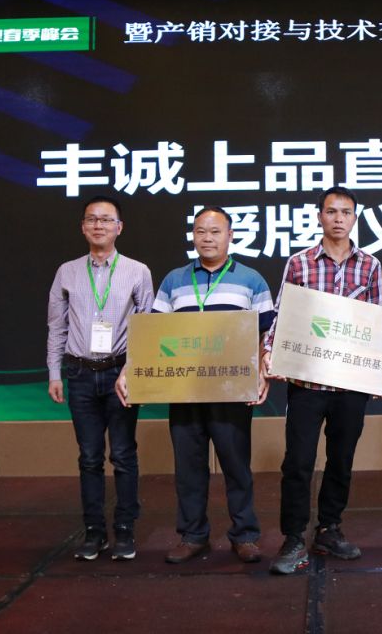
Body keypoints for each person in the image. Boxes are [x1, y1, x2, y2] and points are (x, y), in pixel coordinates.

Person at [118, 206, 273, 564]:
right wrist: (130, 371)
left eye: (215, 231)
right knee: (188, 468)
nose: (207, 238)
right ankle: (193, 535)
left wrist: (262, 372)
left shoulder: (252, 280)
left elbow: (268, 333)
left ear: (230, 236)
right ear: (192, 236)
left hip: (232, 390)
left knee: (236, 466)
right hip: (184, 389)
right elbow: (155, 335)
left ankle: (245, 536)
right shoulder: (174, 280)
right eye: (201, 231)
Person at [261, 187, 382, 575]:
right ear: (319, 217)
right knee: (297, 462)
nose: (338, 218)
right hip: (306, 382)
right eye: (331, 211)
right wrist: (269, 352)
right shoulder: (299, 263)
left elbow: (376, 323)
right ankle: (293, 537)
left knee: (341, 460)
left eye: (345, 212)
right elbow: (282, 314)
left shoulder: (371, 265)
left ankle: (330, 528)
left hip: (350, 384)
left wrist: (381, 375)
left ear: (354, 219)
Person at [47, 195, 154, 561]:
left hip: (120, 372)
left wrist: (132, 370)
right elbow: (56, 326)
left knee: (123, 454)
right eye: (92, 219)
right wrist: (54, 372)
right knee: (89, 457)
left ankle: (125, 530)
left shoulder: (137, 271)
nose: (99, 225)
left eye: (106, 220)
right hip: (78, 373)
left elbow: (146, 329)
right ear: (82, 227)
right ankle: (94, 532)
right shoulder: (67, 271)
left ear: (119, 228)